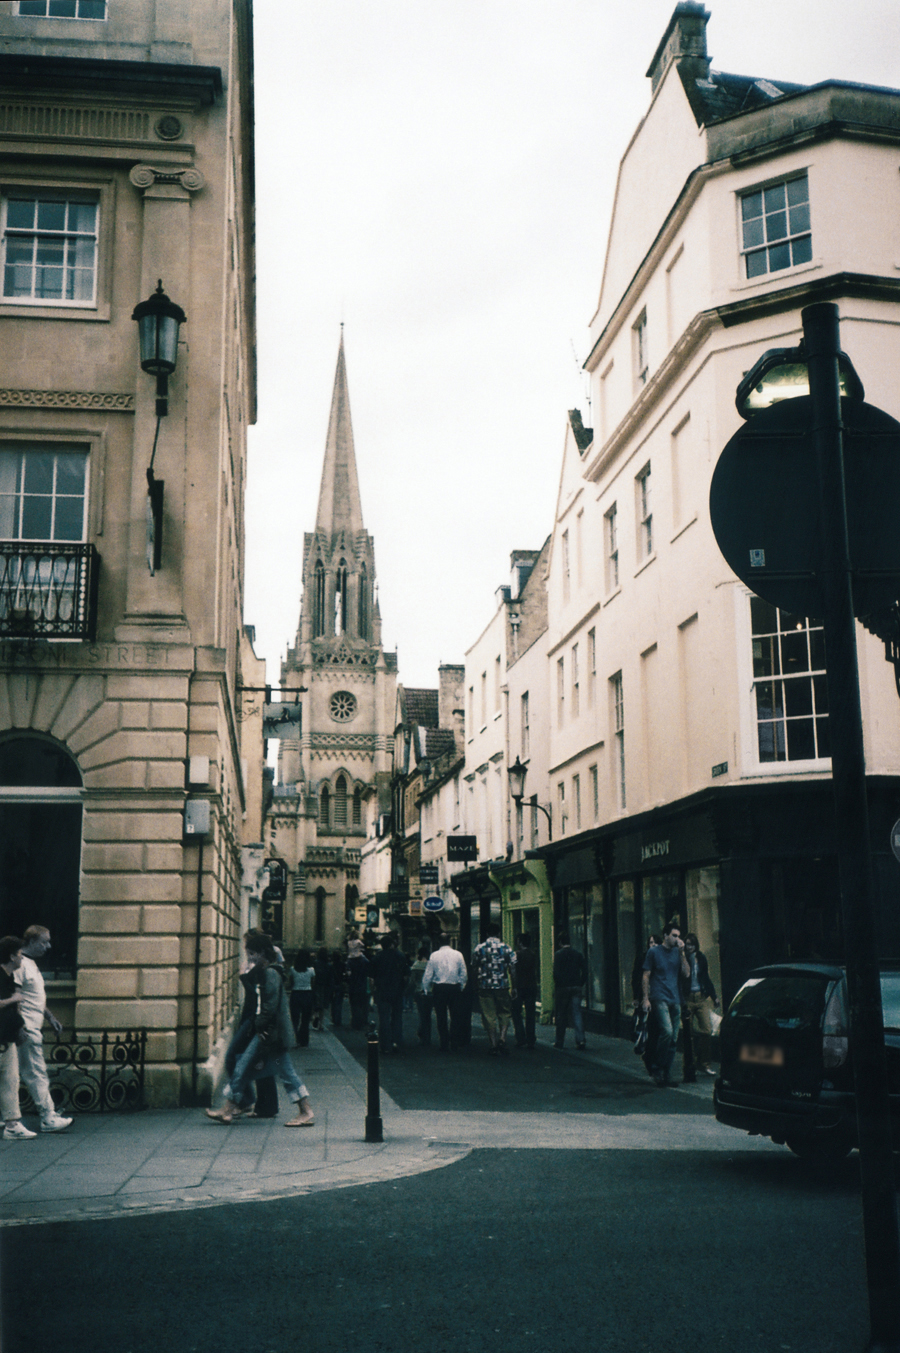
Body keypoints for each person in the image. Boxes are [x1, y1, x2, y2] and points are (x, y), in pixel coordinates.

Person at [207, 935, 314, 1127]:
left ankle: (229, 1109)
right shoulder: (267, 971)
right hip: (270, 1033)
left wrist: (258, 1026)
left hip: (268, 1033)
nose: (249, 958)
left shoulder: (271, 974)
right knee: (276, 1071)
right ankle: (229, 1109)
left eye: (252, 954)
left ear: (262, 953)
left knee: (245, 1066)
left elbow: (269, 1006)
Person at [14, 926, 72, 1133]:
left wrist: (50, 1017)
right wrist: (19, 1026)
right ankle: (48, 1117)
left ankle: (10, 1118)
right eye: (44, 942)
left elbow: (34, 998)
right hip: (27, 1028)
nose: (48, 946)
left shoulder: (29, 964)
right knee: (36, 1072)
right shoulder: (20, 964)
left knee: (19, 1073)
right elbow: (17, 997)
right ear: (30, 941)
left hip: (30, 1026)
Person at [642, 921, 691, 1087]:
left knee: (673, 1038)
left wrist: (682, 953)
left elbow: (686, 973)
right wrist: (646, 998)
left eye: (678, 936)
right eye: (674, 935)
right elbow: (646, 975)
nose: (677, 939)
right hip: (659, 996)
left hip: (675, 998)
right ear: (665, 936)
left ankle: (665, 1072)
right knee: (667, 1031)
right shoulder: (654, 952)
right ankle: (657, 1067)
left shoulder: (678, 952)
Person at [0, 936, 34, 1140]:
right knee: (9, 1080)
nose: (22, 958)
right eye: (20, 954)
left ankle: (11, 1122)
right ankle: (12, 1124)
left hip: (6, 1037)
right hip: (2, 1038)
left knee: (9, 1080)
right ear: (12, 956)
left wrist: (19, 1027)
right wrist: (14, 999)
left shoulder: (9, 977)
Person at [473, 923, 516, 1055]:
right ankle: (502, 1037)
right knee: (504, 1012)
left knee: (489, 1014)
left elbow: (474, 966)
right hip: (502, 985)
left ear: (486, 934)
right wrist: (514, 986)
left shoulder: (479, 948)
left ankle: (493, 1043)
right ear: (498, 933)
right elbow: (513, 968)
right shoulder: (507, 948)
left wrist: (477, 982)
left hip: (485, 985)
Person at [680, 933, 719, 1076]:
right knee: (687, 1033)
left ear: (696, 945)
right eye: (687, 944)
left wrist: (714, 997)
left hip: (701, 998)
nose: (690, 947)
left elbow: (706, 978)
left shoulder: (701, 958)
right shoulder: (682, 958)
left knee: (706, 1031)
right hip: (688, 998)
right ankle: (689, 1065)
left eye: (692, 944)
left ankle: (704, 1063)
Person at [421, 933, 467, 1052]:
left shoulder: (434, 955)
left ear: (438, 942)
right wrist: (461, 985)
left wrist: (426, 989)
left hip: (439, 988)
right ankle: (454, 1041)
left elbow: (428, 974)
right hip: (454, 987)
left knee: (441, 1016)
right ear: (450, 941)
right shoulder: (458, 955)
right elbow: (463, 973)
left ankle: (444, 1042)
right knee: (455, 1016)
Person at [370, 933, 410, 1054]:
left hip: (382, 991)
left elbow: (371, 978)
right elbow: (406, 976)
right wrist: (403, 988)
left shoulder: (377, 957)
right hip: (397, 991)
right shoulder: (400, 956)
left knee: (384, 1018)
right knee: (397, 1018)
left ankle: (385, 1045)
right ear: (392, 944)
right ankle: (396, 1042)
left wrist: (374, 992)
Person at [553, 932, 587, 1050]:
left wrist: (558, 985)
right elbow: (585, 970)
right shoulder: (577, 954)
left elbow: (556, 973)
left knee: (561, 1014)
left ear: (560, 943)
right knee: (577, 1013)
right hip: (576, 986)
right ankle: (581, 1040)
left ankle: (559, 1041)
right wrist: (580, 983)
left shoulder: (558, 955)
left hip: (563, 988)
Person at [510, 931, 538, 1049]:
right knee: (530, 1013)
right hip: (531, 986)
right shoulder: (533, 954)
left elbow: (513, 971)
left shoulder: (516, 955)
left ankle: (521, 1037)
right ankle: (531, 1038)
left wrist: (514, 987)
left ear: (520, 942)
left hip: (520, 987)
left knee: (516, 1012)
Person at [290, 950, 316, 1047]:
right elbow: (313, 984)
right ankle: (304, 1039)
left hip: (296, 993)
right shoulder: (311, 970)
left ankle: (295, 1038)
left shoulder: (292, 969)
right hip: (307, 994)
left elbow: (291, 983)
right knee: (305, 1019)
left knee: (295, 1018)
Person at [410, 945, 432, 1045]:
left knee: (421, 1013)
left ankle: (422, 1033)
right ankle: (427, 1034)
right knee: (428, 1014)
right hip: (430, 991)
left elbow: (413, 981)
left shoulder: (415, 965)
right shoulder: (430, 965)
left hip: (419, 991)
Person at [346, 946, 371, 1030]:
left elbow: (348, 974)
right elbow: (369, 973)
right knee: (362, 1004)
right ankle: (362, 1021)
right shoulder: (365, 961)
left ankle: (355, 1022)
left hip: (353, 985)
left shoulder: (349, 961)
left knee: (354, 1005)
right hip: (363, 985)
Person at [330, 949, 346, 1028]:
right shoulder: (343, 964)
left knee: (333, 1002)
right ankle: (338, 1019)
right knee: (339, 1003)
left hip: (333, 985)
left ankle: (333, 1018)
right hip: (340, 984)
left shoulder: (331, 965)